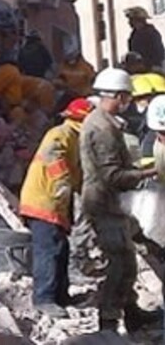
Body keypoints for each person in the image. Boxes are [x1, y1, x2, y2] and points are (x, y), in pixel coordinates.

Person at [79, 67, 162, 333]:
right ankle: (109, 323)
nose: (127, 103)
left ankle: (131, 313)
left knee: (127, 262)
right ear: (114, 95)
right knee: (119, 264)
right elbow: (113, 175)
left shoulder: (106, 122)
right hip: (104, 203)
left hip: (112, 202)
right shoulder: (102, 128)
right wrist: (151, 172)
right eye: (125, 97)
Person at [19, 98, 93, 318]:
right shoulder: (60, 134)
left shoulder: (75, 138)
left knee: (61, 250)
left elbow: (77, 174)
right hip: (44, 201)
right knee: (48, 251)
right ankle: (44, 298)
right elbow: (57, 162)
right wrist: (65, 186)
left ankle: (61, 296)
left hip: (55, 203)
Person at [125, 6, 164, 71]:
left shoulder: (151, 33)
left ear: (139, 20)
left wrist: (148, 65)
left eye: (131, 19)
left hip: (152, 68)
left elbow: (159, 53)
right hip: (138, 67)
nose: (129, 22)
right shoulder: (134, 34)